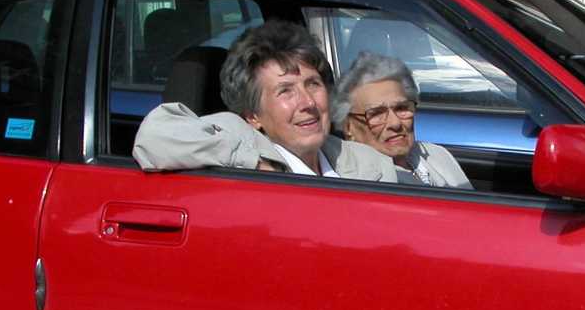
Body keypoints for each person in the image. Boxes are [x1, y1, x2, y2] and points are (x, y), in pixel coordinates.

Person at [133, 20, 396, 181]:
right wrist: (253, 163)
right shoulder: (238, 137)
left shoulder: (356, 159)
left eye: (313, 84)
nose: (308, 102)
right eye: (285, 91)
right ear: (252, 116)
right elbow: (155, 137)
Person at [331, 52, 472, 189]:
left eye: (401, 108)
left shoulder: (437, 155)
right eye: (376, 113)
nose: (395, 123)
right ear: (348, 127)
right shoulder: (358, 183)